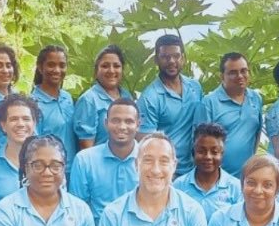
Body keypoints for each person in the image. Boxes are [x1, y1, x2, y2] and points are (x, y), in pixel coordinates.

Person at [138, 34, 204, 175]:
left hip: (196, 169)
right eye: (165, 57)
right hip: (167, 172)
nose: (172, 61)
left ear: (183, 58)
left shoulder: (195, 87)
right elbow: (146, 145)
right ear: (156, 60)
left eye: (176, 56)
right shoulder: (149, 98)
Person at [69, 98, 141, 226]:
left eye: (129, 121)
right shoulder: (85, 160)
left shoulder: (149, 160)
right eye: (116, 121)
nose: (122, 127)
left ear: (138, 124)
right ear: (106, 123)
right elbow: (77, 210)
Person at [198, 52, 263, 175]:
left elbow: (256, 134)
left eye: (244, 71)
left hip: (246, 178)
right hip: (218, 179)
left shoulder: (256, 98)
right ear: (222, 76)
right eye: (233, 72)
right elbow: (199, 143)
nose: (240, 76)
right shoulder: (209, 103)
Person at [0, 94, 39, 211]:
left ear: (34, 123)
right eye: (14, 119)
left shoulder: (49, 162)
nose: (20, 124)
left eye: (26, 119)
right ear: (3, 125)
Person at [173, 123, 242, 215]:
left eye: (214, 152)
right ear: (193, 152)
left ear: (222, 154)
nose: (208, 157)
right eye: (201, 151)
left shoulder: (235, 188)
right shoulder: (179, 186)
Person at [76, 45, 133, 149]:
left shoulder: (126, 96)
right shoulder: (88, 100)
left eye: (116, 66)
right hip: (99, 163)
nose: (111, 71)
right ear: (96, 71)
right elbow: (86, 148)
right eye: (105, 66)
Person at [32, 45, 79, 172]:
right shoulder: (32, 104)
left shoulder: (67, 98)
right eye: (51, 65)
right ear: (40, 67)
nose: (57, 70)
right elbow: (33, 145)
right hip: (50, 171)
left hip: (73, 169)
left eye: (62, 65)